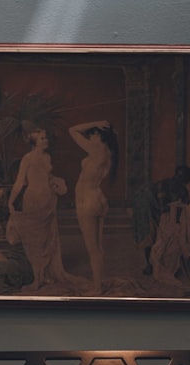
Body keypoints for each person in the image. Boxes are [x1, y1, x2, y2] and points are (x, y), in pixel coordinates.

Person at [7, 124, 78, 291]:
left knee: (47, 240)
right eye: (42, 138)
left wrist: (56, 182)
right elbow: (20, 182)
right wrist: (10, 202)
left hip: (49, 201)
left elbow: (48, 176)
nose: (46, 140)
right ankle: (37, 278)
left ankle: (45, 275)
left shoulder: (47, 157)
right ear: (34, 142)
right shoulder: (28, 158)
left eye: (46, 137)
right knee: (34, 241)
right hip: (33, 201)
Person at [69, 120, 118, 293]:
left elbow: (73, 129)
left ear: (99, 135)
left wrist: (97, 122)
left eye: (92, 133)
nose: (90, 136)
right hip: (97, 199)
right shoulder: (108, 153)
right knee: (98, 247)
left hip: (88, 201)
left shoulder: (97, 150)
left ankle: (97, 287)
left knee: (92, 248)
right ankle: (99, 282)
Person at [132, 165, 190, 275]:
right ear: (176, 176)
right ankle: (151, 265)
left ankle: (168, 265)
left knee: (169, 237)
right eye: (180, 179)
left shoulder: (182, 188)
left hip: (163, 212)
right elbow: (160, 207)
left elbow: (186, 203)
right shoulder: (163, 185)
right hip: (146, 207)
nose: (181, 183)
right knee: (151, 237)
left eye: (184, 182)